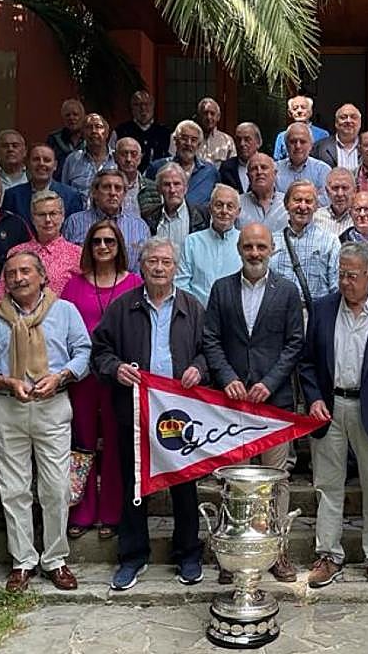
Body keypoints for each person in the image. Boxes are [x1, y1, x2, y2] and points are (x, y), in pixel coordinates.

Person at [0, 252, 91, 593]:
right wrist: (4, 381)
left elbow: (84, 351)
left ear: (42, 277)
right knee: (14, 488)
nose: (19, 278)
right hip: (9, 408)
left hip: (52, 406)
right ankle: (22, 561)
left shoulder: (64, 311)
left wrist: (63, 375)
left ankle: (55, 559)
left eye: (25, 271)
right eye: (11, 273)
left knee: (56, 487)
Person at [92, 238, 210, 590]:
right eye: (153, 261)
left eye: (166, 262)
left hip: (179, 414)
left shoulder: (192, 307)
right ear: (141, 266)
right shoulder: (122, 306)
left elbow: (210, 351)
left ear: (176, 268)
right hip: (135, 411)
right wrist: (115, 368)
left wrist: (199, 369)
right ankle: (133, 557)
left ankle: (188, 554)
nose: (159, 268)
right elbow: (99, 351)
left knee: (185, 485)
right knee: (134, 485)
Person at [301, 243, 368, 594]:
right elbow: (306, 363)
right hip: (331, 408)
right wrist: (314, 398)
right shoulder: (322, 309)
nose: (345, 282)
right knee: (328, 485)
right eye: (341, 274)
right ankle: (328, 555)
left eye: (352, 275)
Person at [203, 223, 306, 582]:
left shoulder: (287, 291)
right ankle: (233, 553)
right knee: (234, 479)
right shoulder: (221, 289)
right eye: (248, 246)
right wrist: (228, 378)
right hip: (232, 403)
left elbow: (295, 343)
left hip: (274, 401)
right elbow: (211, 340)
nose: (255, 253)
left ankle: (277, 552)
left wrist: (269, 382)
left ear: (272, 248)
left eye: (261, 246)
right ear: (239, 249)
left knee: (276, 480)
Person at [60, 222, 141, 541]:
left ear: (120, 246)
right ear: (89, 247)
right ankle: (81, 509)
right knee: (82, 442)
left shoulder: (134, 283)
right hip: (82, 377)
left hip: (119, 377)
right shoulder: (74, 285)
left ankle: (111, 511)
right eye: (97, 241)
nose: (103, 246)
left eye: (110, 241)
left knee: (116, 443)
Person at [0, 190, 82, 297]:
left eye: (53, 214)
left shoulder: (77, 254)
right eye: (41, 215)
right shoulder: (17, 252)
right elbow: (0, 295)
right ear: (32, 218)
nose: (48, 220)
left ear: (62, 216)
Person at [270, 180, 340, 313]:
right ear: (286, 204)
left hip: (316, 315)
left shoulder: (330, 241)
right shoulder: (271, 241)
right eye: (297, 200)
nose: (302, 206)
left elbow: (336, 288)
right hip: (278, 315)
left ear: (316, 206)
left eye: (308, 201)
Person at [63, 170, 151, 266]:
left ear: (124, 194)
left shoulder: (140, 227)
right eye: (106, 187)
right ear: (94, 192)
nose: (113, 193)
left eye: (118, 188)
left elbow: (144, 267)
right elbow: (65, 262)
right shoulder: (74, 223)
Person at [177, 185, 242, 306]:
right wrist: (196, 311)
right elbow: (181, 283)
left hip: (235, 317)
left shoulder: (245, 242)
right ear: (210, 209)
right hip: (197, 315)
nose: (224, 211)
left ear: (238, 212)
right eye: (219, 205)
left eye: (230, 206)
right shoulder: (192, 242)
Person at [1, 144, 85, 229]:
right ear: (27, 163)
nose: (41, 163)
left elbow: (75, 230)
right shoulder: (12, 195)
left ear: (55, 165)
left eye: (47, 160)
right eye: (36, 159)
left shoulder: (71, 196)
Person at [146, 120, 218, 209]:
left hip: (200, 222)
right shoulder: (157, 168)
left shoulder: (210, 172)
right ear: (175, 141)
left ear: (198, 145)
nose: (188, 143)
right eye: (184, 138)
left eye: (193, 140)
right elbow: (146, 199)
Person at [143, 162, 209, 250]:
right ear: (159, 189)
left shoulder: (203, 216)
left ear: (185, 188)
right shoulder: (148, 217)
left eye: (177, 184)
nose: (172, 190)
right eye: (167, 184)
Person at [60, 113, 116, 198]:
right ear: (83, 134)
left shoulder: (117, 159)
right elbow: (64, 193)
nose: (94, 131)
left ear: (107, 133)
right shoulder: (72, 160)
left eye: (98, 126)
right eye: (89, 127)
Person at [275, 122, 332, 205]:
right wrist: (311, 198)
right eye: (293, 141)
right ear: (286, 145)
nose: (298, 146)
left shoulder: (322, 170)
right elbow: (273, 201)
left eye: (302, 142)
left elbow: (326, 201)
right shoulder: (275, 170)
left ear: (311, 145)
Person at [114, 89, 170, 167]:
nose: (143, 108)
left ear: (153, 106)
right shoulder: (121, 131)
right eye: (137, 104)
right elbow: (112, 159)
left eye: (147, 104)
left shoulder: (165, 132)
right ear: (131, 108)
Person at [238, 152, 288, 232]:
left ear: (274, 174)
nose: (259, 172)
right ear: (248, 176)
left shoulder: (288, 203)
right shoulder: (237, 204)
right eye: (254, 169)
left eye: (264, 167)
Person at [271, 94, 329, 159]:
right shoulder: (282, 136)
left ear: (310, 112)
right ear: (289, 113)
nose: (299, 111)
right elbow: (277, 163)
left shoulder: (323, 135)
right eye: (295, 108)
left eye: (303, 107)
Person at [113, 137, 154, 218]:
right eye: (124, 154)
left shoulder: (152, 188)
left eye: (134, 154)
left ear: (140, 158)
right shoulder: (105, 185)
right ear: (115, 157)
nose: (128, 159)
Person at [186, 97, 235, 162]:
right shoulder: (188, 140)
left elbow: (232, 168)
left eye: (212, 113)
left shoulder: (227, 141)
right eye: (205, 113)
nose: (209, 117)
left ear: (218, 117)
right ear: (199, 116)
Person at [313, 103, 361, 169]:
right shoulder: (319, 147)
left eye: (353, 117)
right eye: (343, 117)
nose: (348, 121)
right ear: (336, 123)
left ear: (360, 122)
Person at [47, 98, 86, 179]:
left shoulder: (89, 138)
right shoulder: (54, 139)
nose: (71, 118)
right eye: (67, 115)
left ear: (82, 117)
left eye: (75, 114)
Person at [218, 122, 261, 192]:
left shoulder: (267, 167)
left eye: (247, 139)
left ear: (258, 142)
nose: (242, 144)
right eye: (238, 139)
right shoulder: (226, 168)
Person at [313, 167, 355, 236]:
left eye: (345, 188)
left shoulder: (359, 218)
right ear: (327, 191)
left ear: (354, 191)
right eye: (335, 188)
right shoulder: (315, 217)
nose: (340, 194)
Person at [0, 130, 28, 195]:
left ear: (25, 151)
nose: (10, 149)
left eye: (15, 146)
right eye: (5, 146)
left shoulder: (34, 179)